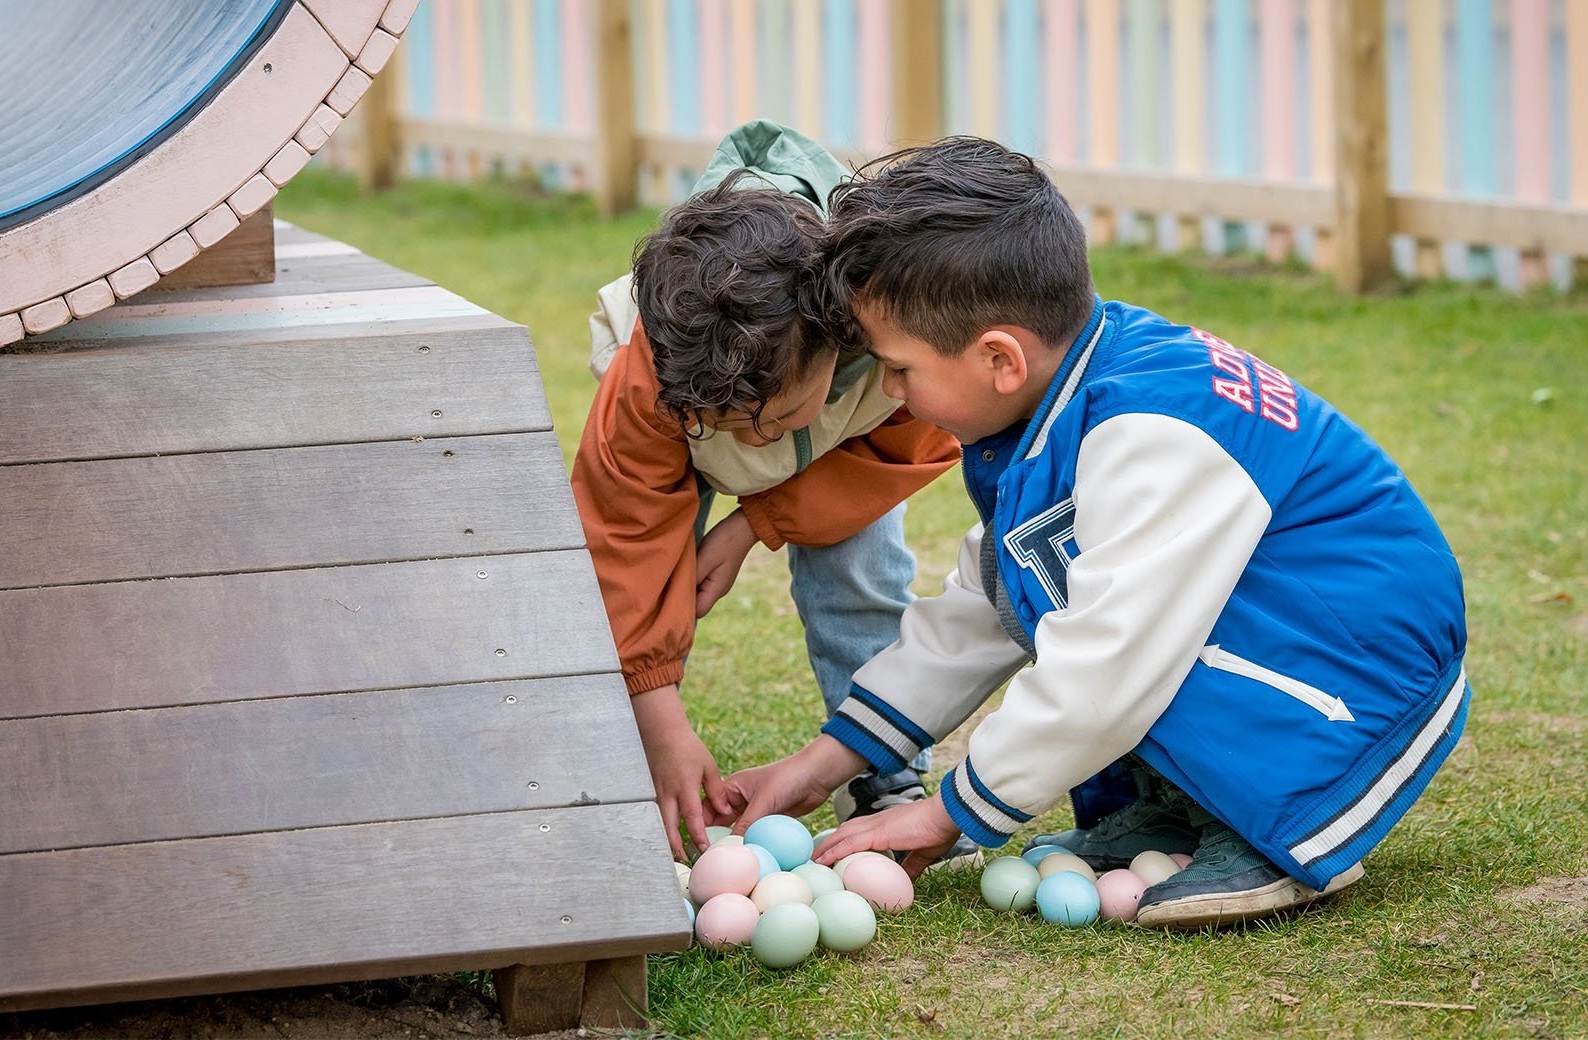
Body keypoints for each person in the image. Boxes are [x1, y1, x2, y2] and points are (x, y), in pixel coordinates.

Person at [722, 137, 1470, 929]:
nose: (891, 392)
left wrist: (951, 812)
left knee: (1117, 635)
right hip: (1309, 639)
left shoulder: (1154, 430)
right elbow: (991, 599)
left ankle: (1278, 828)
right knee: (1049, 586)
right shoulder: (1072, 393)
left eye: (899, 368)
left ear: (1000, 359)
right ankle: (1183, 807)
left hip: (1358, 679)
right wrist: (826, 761)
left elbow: (1111, 659)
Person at [571, 121, 979, 866]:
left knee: (859, 577)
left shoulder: (888, 336)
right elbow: (624, 538)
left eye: (777, 419)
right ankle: (634, 766)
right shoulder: (653, 375)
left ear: (834, 340)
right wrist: (663, 720)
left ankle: (880, 776)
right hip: (677, 439)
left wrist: (754, 521)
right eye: (731, 425)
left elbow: (905, 449)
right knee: (646, 589)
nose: (758, 443)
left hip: (849, 447)